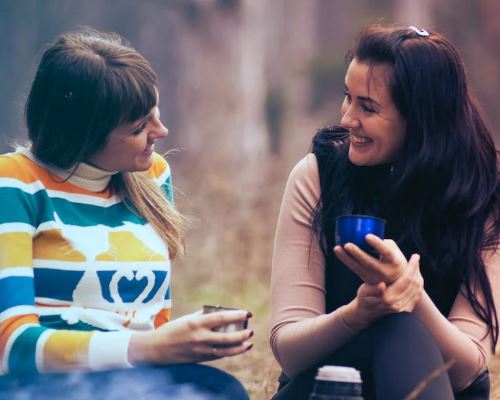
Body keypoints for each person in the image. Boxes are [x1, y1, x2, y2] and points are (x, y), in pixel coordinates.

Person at [0, 28, 253, 400]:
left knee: (226, 391)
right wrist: (150, 348)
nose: (161, 131)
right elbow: (13, 347)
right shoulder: (17, 182)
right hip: (48, 384)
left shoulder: (151, 176)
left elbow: (153, 317)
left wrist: (180, 342)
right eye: (138, 127)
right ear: (83, 135)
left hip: (138, 375)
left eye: (155, 112)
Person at [270, 24, 500, 400]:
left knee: (402, 328)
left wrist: (412, 297)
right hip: (327, 387)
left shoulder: (484, 193)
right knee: (387, 328)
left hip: (437, 389)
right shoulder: (318, 177)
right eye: (348, 97)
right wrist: (357, 314)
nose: (347, 119)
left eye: (368, 107)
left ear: (421, 119)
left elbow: (467, 368)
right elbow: (290, 351)